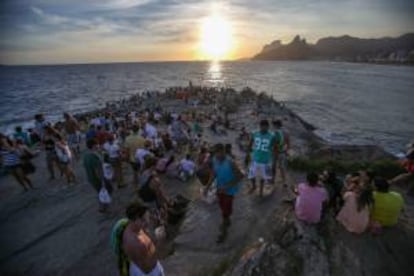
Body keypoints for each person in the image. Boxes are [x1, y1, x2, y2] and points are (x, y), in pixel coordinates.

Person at [205, 143, 244, 243]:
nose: (217, 155)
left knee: (226, 208)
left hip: (230, 190)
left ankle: (224, 229)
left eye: (219, 152)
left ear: (223, 151)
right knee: (222, 205)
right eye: (215, 153)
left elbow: (240, 176)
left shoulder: (230, 162)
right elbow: (213, 174)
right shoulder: (214, 160)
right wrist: (207, 187)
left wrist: (226, 187)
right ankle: (227, 219)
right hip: (219, 188)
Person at [118, 201, 164, 276]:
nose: (147, 222)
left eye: (147, 217)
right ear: (133, 220)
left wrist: (157, 224)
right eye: (143, 220)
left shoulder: (135, 226)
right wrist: (161, 241)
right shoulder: (136, 243)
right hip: (149, 272)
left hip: (144, 266)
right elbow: (147, 268)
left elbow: (149, 242)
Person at [248, 119, 276, 197]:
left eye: (265, 127)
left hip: (265, 161)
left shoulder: (272, 136)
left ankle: (260, 190)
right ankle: (254, 186)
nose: (263, 128)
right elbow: (250, 143)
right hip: (255, 159)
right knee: (251, 175)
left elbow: (274, 147)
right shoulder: (255, 133)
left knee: (263, 177)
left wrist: (274, 159)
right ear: (260, 126)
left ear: (268, 127)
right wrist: (249, 151)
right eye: (262, 126)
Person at [83, 139, 106, 212]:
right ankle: (102, 206)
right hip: (97, 178)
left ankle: (103, 205)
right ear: (94, 146)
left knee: (100, 191)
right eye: (97, 144)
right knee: (102, 191)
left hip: (90, 177)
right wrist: (102, 181)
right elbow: (97, 170)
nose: (98, 145)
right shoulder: (94, 156)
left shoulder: (86, 155)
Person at [272, 119, 290, 186]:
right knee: (282, 167)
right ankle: (284, 181)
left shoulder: (275, 133)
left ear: (276, 125)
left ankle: (273, 179)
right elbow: (288, 143)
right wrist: (287, 151)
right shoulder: (286, 132)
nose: (273, 126)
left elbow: (273, 144)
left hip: (275, 153)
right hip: (282, 152)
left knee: (273, 166)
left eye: (273, 125)